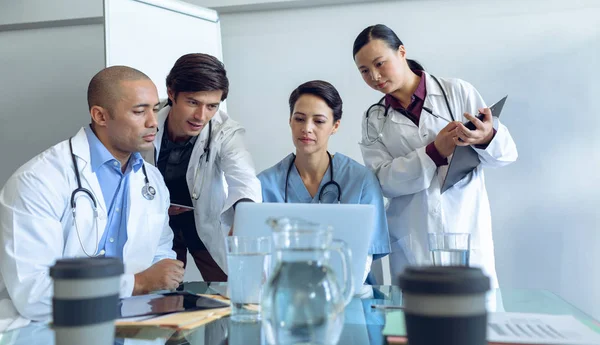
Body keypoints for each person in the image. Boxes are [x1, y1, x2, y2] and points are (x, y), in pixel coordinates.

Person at [0, 66, 183, 332]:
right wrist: (137, 283)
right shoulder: (37, 180)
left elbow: (159, 250)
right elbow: (34, 294)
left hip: (129, 325)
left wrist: (165, 271)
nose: (153, 122)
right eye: (139, 111)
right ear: (100, 115)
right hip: (47, 330)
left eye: (155, 109)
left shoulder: (151, 179)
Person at [353, 24, 518, 287]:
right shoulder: (374, 120)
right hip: (412, 243)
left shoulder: (457, 92)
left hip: (465, 232)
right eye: (364, 71)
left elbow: (507, 154)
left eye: (380, 63)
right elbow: (382, 181)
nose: (374, 76)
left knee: (474, 323)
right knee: (415, 324)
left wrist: (486, 137)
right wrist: (434, 152)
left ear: (402, 52)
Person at [143, 53, 262, 282]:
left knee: (229, 289)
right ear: (171, 93)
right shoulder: (146, 118)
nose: (201, 116)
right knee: (160, 295)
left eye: (212, 106)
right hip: (156, 220)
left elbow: (244, 178)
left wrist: (243, 218)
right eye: (192, 102)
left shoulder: (225, 131)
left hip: (202, 220)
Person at [257, 80, 390, 283]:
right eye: (299, 119)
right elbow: (260, 260)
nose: (307, 128)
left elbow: (363, 260)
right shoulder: (265, 184)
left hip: (349, 296)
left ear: (335, 126)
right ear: (290, 121)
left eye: (318, 121)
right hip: (285, 294)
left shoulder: (361, 181)